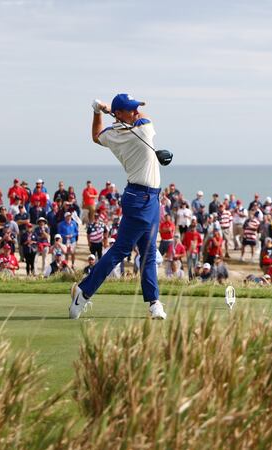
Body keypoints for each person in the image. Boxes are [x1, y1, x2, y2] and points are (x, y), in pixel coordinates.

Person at [72, 93, 167, 320]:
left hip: (147, 197)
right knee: (121, 250)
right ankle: (83, 292)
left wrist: (98, 111)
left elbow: (96, 135)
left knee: (148, 252)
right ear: (120, 113)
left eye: (135, 108)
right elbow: (143, 117)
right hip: (142, 199)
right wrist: (109, 110)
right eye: (131, 109)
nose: (136, 111)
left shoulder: (113, 134)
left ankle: (154, 303)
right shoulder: (143, 130)